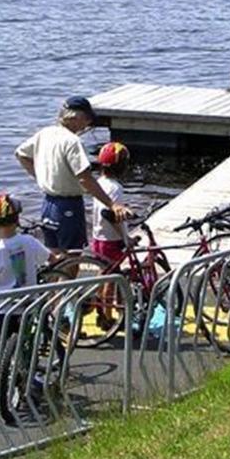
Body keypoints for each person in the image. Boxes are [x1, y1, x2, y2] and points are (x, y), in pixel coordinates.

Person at [15, 96, 130, 255]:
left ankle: (53, 280)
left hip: (48, 204)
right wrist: (112, 205)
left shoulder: (45, 133)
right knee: (72, 258)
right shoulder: (72, 141)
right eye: (87, 119)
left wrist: (40, 176)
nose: (88, 124)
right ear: (75, 117)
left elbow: (21, 154)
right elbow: (85, 178)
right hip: (68, 206)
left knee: (55, 257)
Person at [0, 193, 56, 399]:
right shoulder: (29, 241)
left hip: (2, 308)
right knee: (27, 345)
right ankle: (27, 382)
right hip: (26, 305)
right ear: (17, 218)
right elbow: (49, 258)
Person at [90, 142, 135, 331]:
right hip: (112, 240)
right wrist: (126, 238)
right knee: (113, 279)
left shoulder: (99, 184)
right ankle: (108, 317)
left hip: (98, 238)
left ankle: (98, 307)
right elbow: (113, 217)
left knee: (103, 274)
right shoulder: (116, 188)